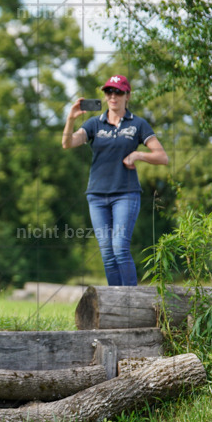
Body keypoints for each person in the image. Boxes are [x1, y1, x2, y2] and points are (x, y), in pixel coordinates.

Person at [62, 75, 168, 285]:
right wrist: (71, 119)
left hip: (126, 195)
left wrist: (139, 155)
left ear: (127, 96)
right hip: (97, 197)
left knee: (119, 247)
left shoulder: (138, 124)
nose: (113, 96)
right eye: (109, 92)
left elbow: (162, 157)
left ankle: (130, 302)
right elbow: (68, 143)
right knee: (107, 255)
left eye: (118, 92)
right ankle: (116, 304)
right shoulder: (94, 124)